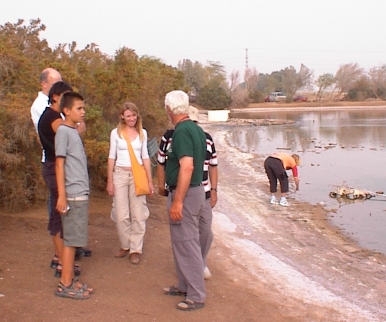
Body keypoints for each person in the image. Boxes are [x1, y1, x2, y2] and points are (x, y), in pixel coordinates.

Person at [157, 105, 218, 280]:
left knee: (204, 233)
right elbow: (162, 163)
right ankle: (193, 274)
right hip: (187, 191)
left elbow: (213, 165)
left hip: (201, 191)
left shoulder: (205, 138)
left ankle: (198, 267)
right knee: (186, 237)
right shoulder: (170, 136)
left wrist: (214, 190)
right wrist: (163, 186)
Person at [162, 90, 207, 311]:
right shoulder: (195, 129)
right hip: (195, 192)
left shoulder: (181, 132)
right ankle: (184, 285)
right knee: (182, 242)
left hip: (187, 194)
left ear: (169, 109)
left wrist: (178, 201)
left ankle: (196, 295)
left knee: (187, 243)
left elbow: (187, 166)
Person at [38, 81, 81, 278]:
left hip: (55, 166)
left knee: (60, 214)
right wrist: (77, 122)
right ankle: (62, 262)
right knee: (59, 214)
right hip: (55, 167)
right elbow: (70, 134)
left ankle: (62, 259)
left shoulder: (54, 116)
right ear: (55, 96)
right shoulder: (53, 117)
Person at [55, 91, 93, 299]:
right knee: (71, 241)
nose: (83, 112)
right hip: (72, 195)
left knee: (74, 239)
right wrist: (62, 196)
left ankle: (69, 280)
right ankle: (65, 283)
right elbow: (59, 164)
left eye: (83, 108)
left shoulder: (72, 131)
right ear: (66, 111)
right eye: (79, 108)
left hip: (80, 193)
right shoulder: (63, 132)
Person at [106, 102, 154, 265]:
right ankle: (125, 244)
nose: (132, 118)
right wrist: (110, 180)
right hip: (120, 174)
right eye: (128, 116)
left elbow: (145, 157)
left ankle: (135, 249)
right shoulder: (116, 133)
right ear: (122, 117)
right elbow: (111, 156)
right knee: (121, 214)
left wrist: (149, 180)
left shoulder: (142, 133)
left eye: (134, 115)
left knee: (138, 213)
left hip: (137, 175)